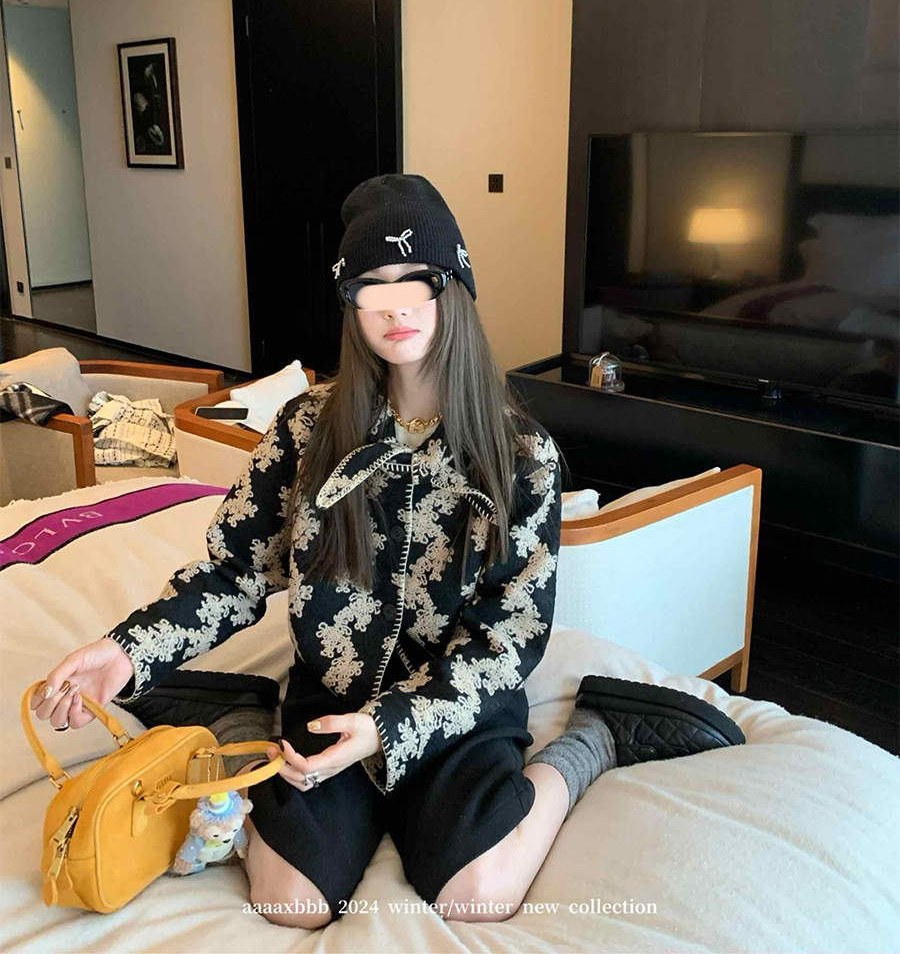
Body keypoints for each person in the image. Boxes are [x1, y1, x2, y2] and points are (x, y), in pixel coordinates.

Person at [30, 174, 745, 928]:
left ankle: (594, 739)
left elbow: (508, 639)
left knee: (476, 893)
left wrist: (388, 727)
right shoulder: (304, 431)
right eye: (371, 286)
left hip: (458, 708)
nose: (395, 306)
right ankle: (242, 714)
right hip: (329, 700)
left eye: (416, 280)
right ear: (351, 303)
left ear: (453, 287)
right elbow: (232, 570)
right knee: (289, 900)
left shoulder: (520, 456)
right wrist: (126, 651)